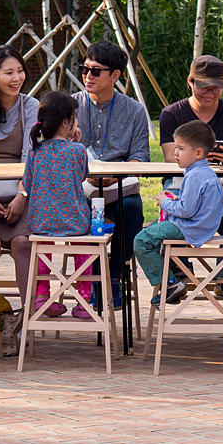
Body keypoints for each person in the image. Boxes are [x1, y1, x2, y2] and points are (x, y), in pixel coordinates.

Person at [73, 40, 151, 309]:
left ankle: (115, 276)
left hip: (120, 185)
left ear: (115, 75)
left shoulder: (134, 110)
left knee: (131, 209)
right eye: (84, 69)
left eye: (95, 71)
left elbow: (140, 157)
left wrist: (114, 176)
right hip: (79, 186)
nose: (87, 75)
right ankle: (93, 279)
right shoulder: (71, 107)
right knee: (78, 211)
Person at [133, 120, 223, 306]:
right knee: (153, 230)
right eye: (175, 147)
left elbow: (186, 211)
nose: (175, 153)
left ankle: (171, 283)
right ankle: (173, 273)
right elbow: (192, 205)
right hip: (200, 226)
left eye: (180, 148)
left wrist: (165, 202)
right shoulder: (204, 172)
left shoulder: (194, 175)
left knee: (141, 241)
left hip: (189, 228)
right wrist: (176, 200)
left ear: (198, 153)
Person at [0, 45, 40, 302]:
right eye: (8, 72)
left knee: (23, 243)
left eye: (20, 71)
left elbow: (31, 155)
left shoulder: (30, 105)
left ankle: (27, 319)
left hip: (22, 188)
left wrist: (22, 195)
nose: (16, 78)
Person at [22, 91, 93, 318]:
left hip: (41, 221)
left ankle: (42, 295)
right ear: (66, 123)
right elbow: (82, 176)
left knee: (43, 249)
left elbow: (27, 183)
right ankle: (83, 299)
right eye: (74, 118)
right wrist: (75, 143)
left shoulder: (35, 151)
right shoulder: (78, 150)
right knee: (84, 246)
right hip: (75, 221)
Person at [160, 55, 223, 172]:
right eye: (203, 88)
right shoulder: (171, 114)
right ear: (190, 81)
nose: (209, 94)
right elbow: (170, 158)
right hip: (181, 178)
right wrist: (196, 160)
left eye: (216, 88)